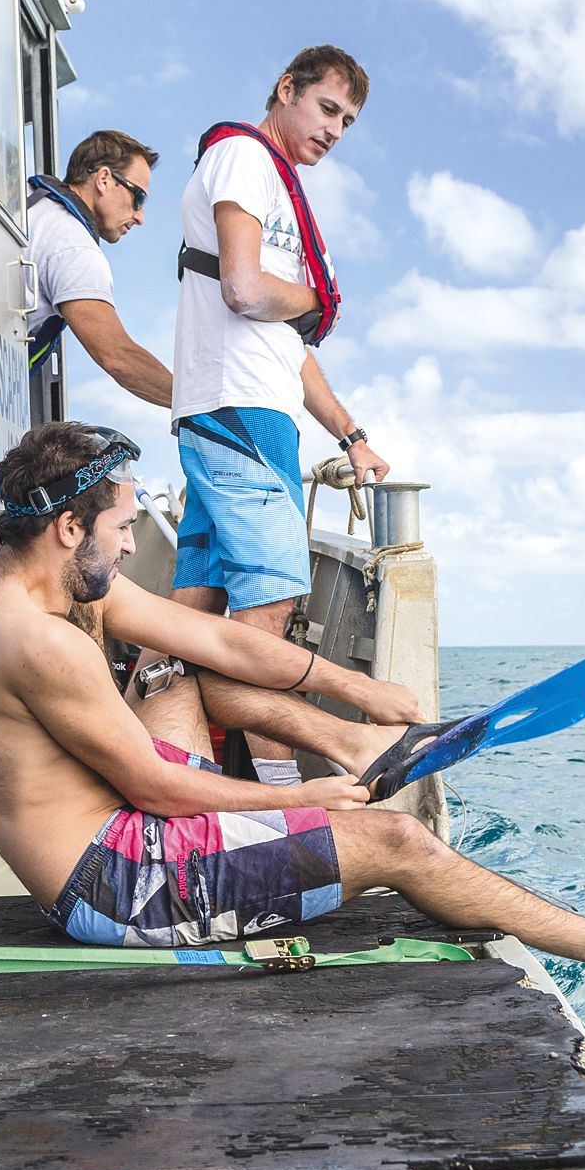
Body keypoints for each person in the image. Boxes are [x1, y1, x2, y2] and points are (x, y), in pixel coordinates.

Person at [0, 423, 585, 995]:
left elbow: (214, 639)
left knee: (174, 671)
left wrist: (360, 693)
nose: (127, 543)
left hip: (121, 826)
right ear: (68, 526)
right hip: (121, 884)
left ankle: (361, 744)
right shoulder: (32, 638)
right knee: (396, 840)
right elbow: (155, 790)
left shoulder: (48, 586)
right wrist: (305, 797)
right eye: (120, 526)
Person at [167, 46, 388, 786]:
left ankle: (159, 777)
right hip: (240, 410)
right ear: (286, 89)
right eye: (327, 109)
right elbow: (244, 289)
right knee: (269, 609)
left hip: (245, 406)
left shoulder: (276, 183)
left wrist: (352, 436)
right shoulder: (244, 157)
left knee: (191, 613)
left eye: (347, 122)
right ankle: (282, 801)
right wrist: (319, 298)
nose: (334, 131)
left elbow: (288, 348)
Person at [27, 130, 173, 415]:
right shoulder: (73, 244)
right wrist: (195, 404)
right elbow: (117, 356)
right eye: (138, 198)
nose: (140, 217)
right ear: (104, 179)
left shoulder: (33, 204)